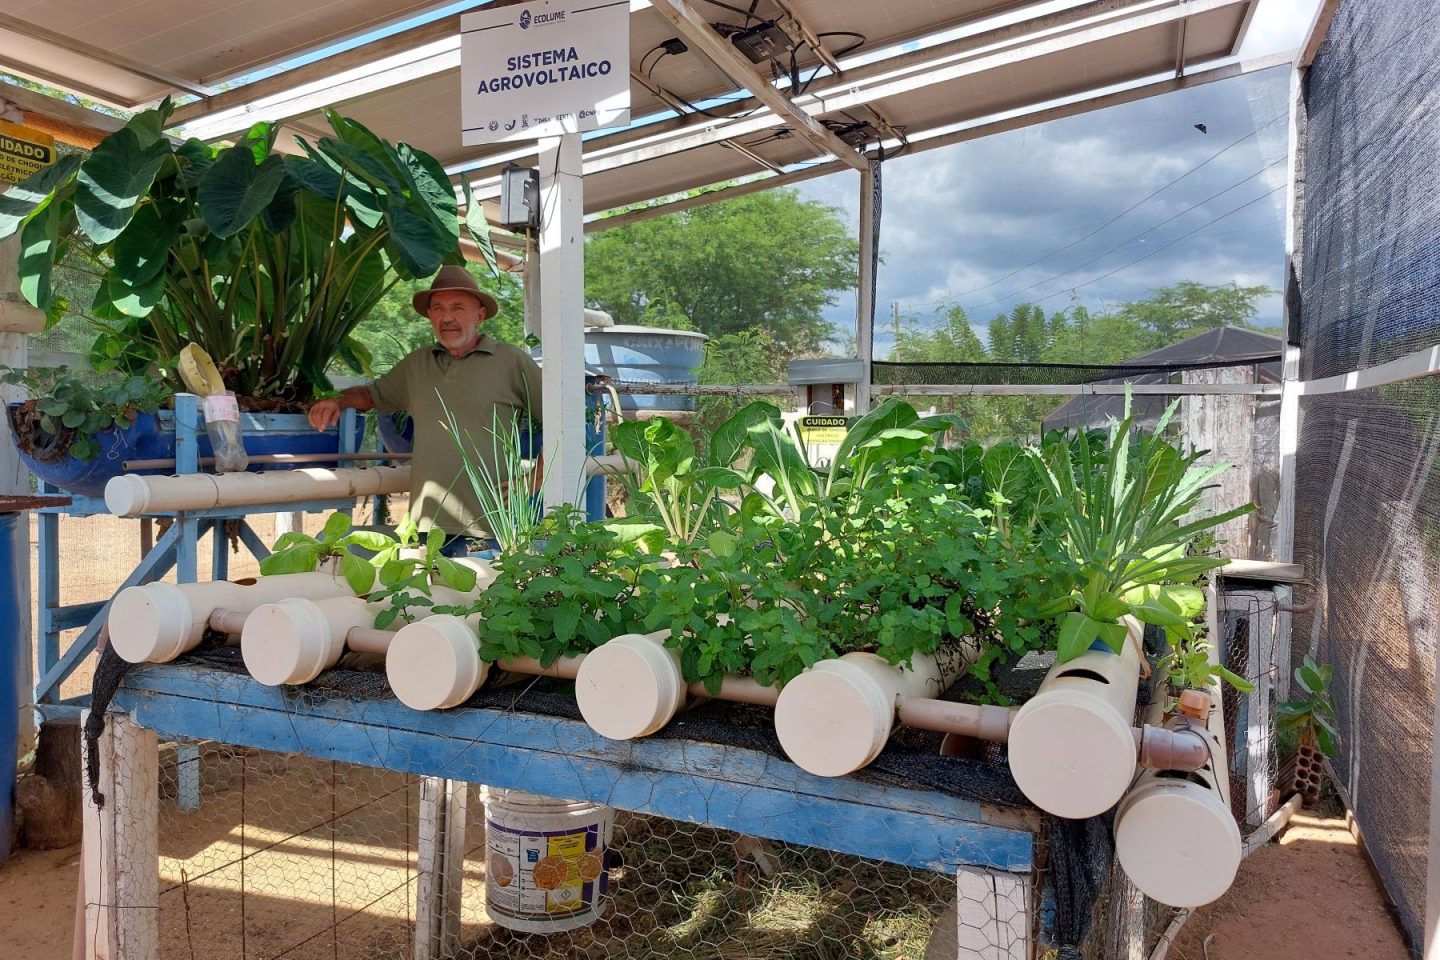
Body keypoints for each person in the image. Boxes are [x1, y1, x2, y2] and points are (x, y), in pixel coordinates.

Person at [308, 265, 543, 549]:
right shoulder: (418, 364)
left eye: (457, 307)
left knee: (488, 593)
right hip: (425, 529)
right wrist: (337, 401)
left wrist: (534, 479)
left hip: (493, 528)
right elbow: (372, 395)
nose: (447, 317)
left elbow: (563, 420)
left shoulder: (511, 361)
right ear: (430, 315)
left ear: (479, 314)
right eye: (438, 308)